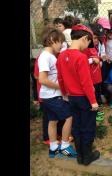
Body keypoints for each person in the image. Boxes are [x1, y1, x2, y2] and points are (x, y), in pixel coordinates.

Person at [56, 24, 100, 165]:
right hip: (84, 98)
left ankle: (80, 155)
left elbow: (60, 77)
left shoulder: (62, 56)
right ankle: (87, 156)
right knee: (88, 126)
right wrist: (93, 101)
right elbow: (86, 82)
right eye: (88, 43)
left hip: (71, 97)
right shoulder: (81, 57)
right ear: (84, 38)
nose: (87, 46)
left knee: (76, 125)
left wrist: (64, 93)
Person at [38, 27, 77, 158]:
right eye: (61, 42)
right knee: (69, 116)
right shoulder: (45, 57)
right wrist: (61, 87)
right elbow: (42, 79)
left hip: (49, 96)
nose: (62, 45)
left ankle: (53, 147)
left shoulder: (50, 56)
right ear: (52, 40)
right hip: (52, 96)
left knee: (53, 120)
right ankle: (65, 146)